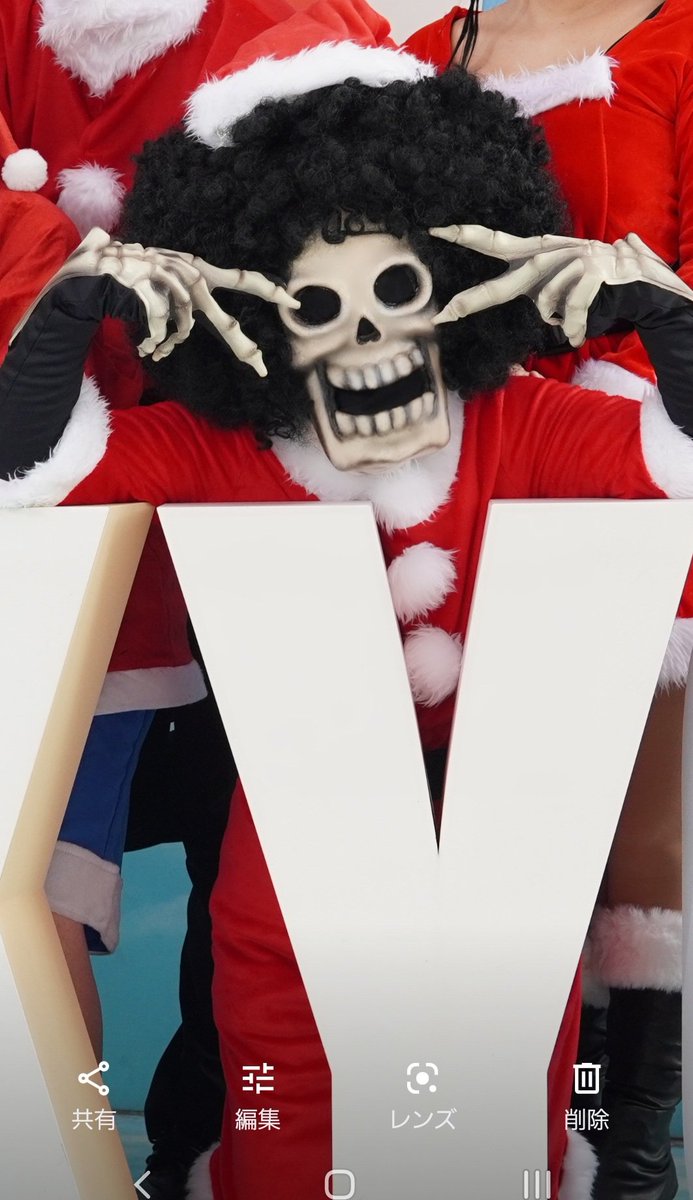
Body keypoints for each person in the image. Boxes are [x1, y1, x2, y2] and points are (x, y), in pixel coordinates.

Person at [4, 21, 693, 1194]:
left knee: (502, 1108)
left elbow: (675, 459)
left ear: (453, 287)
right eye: (314, 304)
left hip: (506, 854)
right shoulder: (217, 447)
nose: (365, 336)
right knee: (283, 1082)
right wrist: (67, 318)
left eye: (395, 289)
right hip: (288, 873)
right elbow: (38, 476)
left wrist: (668, 320)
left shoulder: (526, 422)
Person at [404, 5, 693, 1196]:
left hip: (633, 461)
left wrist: (613, 366)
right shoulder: (424, 48)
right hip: (460, 478)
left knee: (634, 831)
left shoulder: (679, 40)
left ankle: (630, 1149)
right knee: (488, 830)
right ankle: (507, 1134)